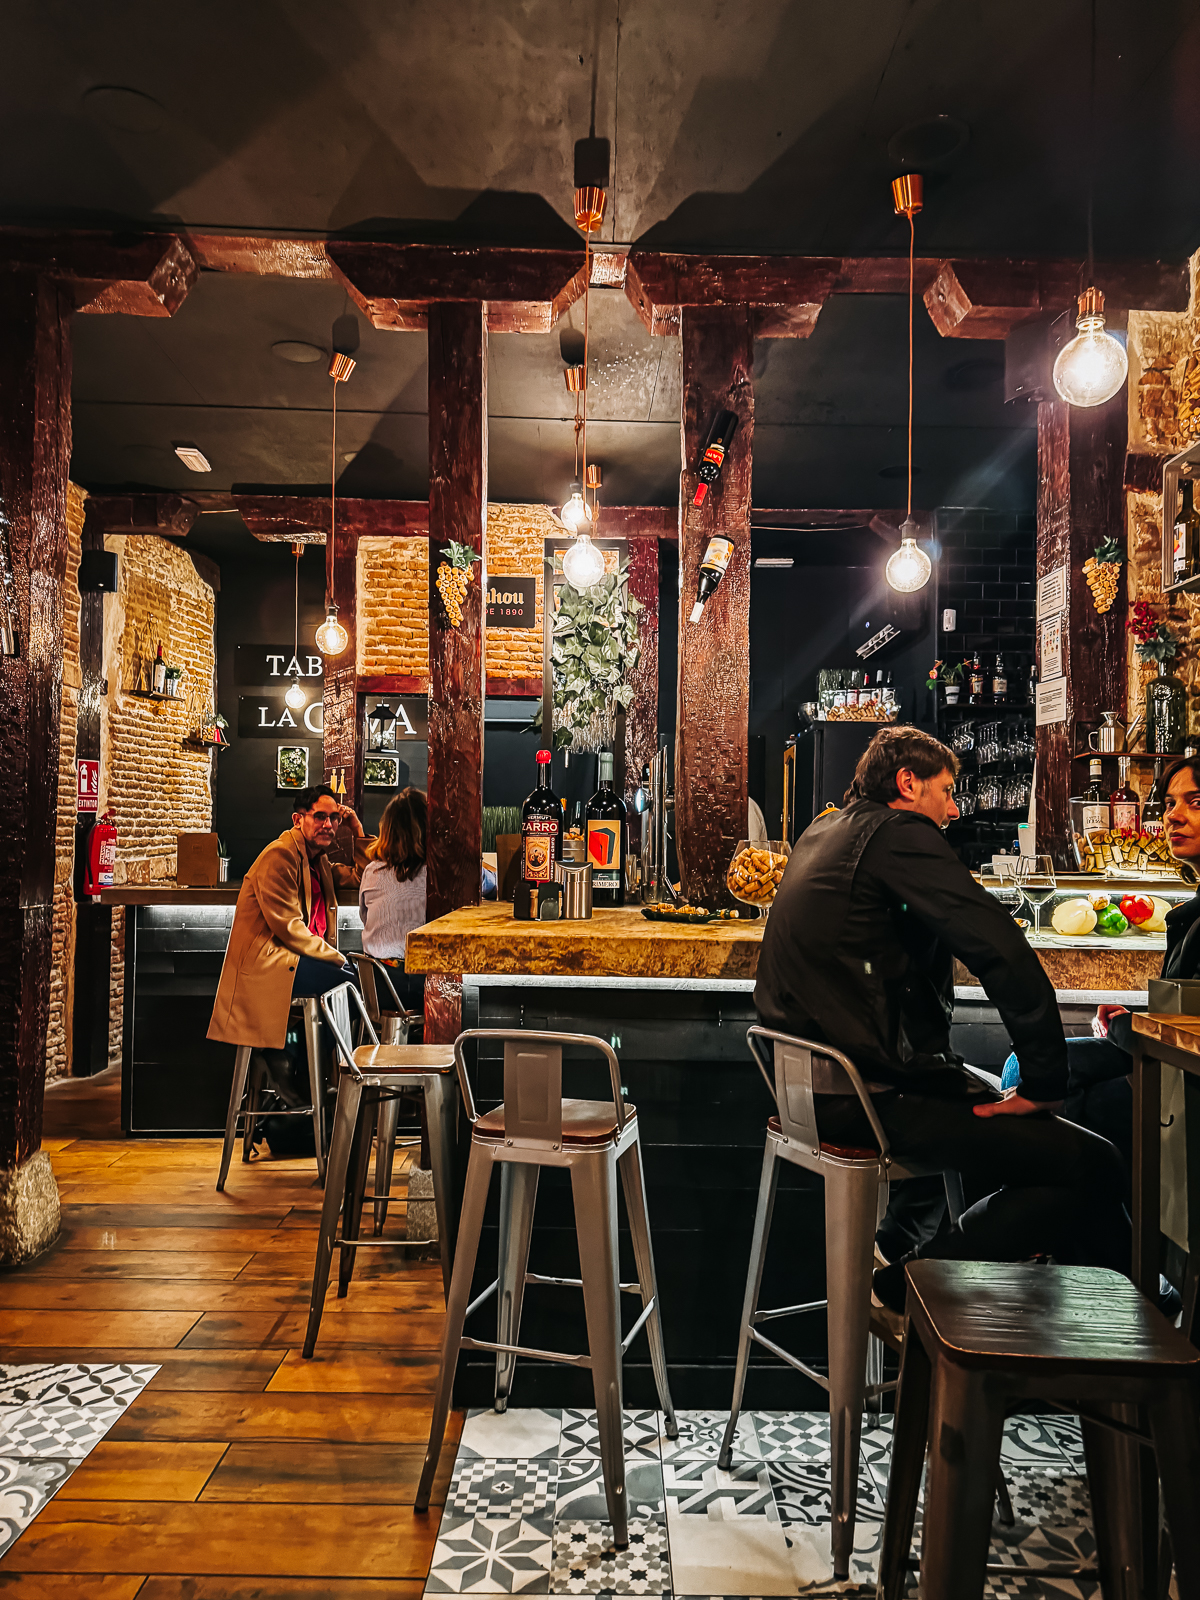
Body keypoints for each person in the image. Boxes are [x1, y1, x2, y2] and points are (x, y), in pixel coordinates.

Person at [755, 725, 1131, 1313]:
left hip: (810, 1089)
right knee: (1094, 1163)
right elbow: (999, 948)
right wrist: (1042, 1083)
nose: (955, 810)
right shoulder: (897, 833)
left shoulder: (824, 829)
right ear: (908, 784)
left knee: (971, 1092)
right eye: (948, 791)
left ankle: (903, 1253)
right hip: (870, 1097)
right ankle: (911, 1287)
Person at [1065, 756, 1200, 1167]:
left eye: (1195, 802)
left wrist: (1125, 1025)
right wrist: (1134, 1020)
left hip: (1186, 1092)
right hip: (1171, 1069)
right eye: (1170, 804)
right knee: (1041, 1064)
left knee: (1067, 1094)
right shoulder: (1192, 914)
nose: (1173, 817)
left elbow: (1190, 1035)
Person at [209, 785, 372, 1055]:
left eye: (334, 819)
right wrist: (338, 958)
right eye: (320, 816)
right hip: (271, 963)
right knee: (352, 984)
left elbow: (363, 877)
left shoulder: (318, 862)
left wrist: (357, 830)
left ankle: (305, 1062)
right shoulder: (280, 855)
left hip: (296, 959)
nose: (329, 825)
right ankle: (291, 1056)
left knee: (355, 984)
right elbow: (290, 928)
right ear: (298, 819)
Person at [358, 786, 428, 1013]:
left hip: (377, 986)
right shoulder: (436, 875)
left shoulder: (372, 871)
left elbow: (364, 918)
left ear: (386, 829)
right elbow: (488, 882)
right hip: (423, 988)